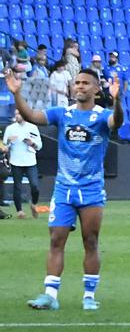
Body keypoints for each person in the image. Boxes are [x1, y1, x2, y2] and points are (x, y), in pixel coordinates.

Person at [8, 64, 122, 310]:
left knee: (90, 240)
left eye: (85, 83)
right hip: (64, 189)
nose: (79, 86)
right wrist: (16, 94)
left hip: (91, 189)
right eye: (77, 83)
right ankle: (50, 295)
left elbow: (117, 121)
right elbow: (32, 117)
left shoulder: (102, 116)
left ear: (95, 90)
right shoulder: (63, 113)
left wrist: (118, 100)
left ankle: (89, 296)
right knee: (56, 239)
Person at [6, 106, 40, 220]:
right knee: (17, 186)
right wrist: (9, 141)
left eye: (19, 114)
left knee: (35, 185)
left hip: (30, 160)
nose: (17, 116)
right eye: (15, 114)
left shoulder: (33, 127)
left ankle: (34, 204)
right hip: (16, 161)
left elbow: (40, 145)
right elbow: (5, 146)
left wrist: (32, 143)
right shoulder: (10, 128)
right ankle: (19, 211)